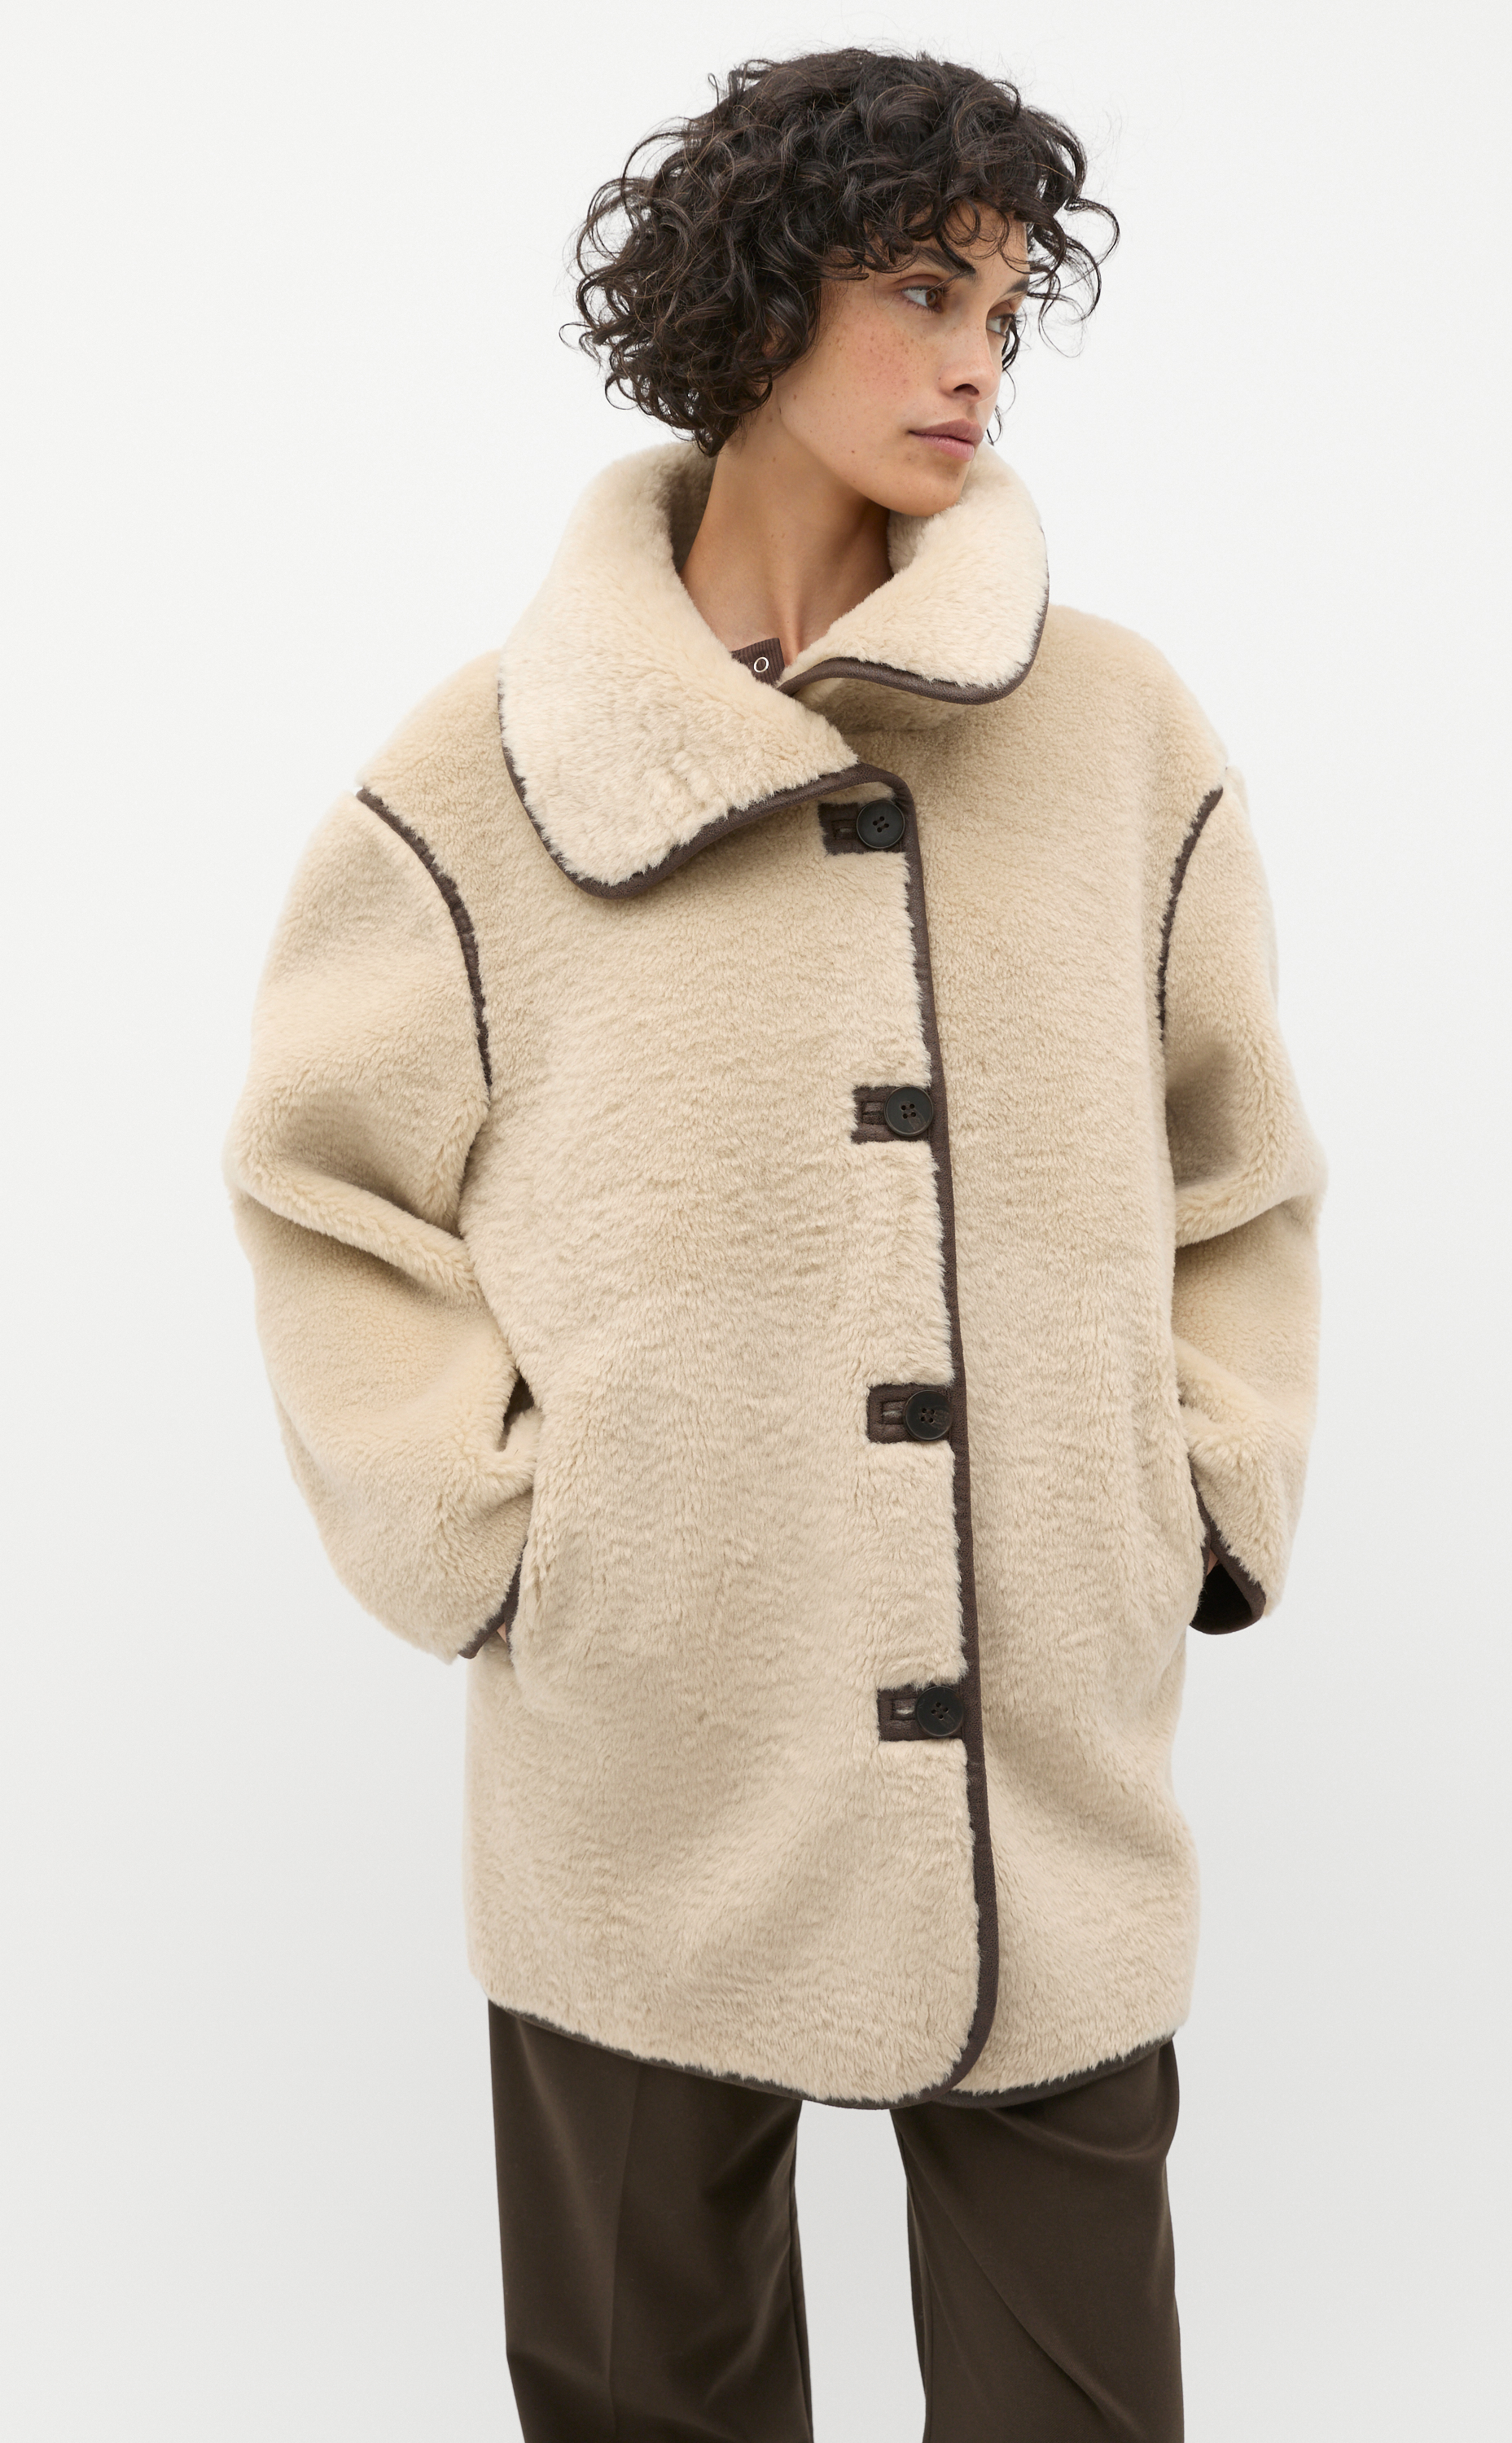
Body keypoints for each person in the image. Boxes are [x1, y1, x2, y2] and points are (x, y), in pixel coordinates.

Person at [228, 46, 1322, 2443]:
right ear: (752, 302)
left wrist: (1198, 1487)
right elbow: (327, 1188)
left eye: (1007, 311)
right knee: (648, 2394)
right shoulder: (480, 776)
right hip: (644, 1746)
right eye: (922, 291)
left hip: (1044, 1749)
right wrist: (505, 1543)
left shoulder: (1121, 735)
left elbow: (1239, 1169)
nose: (975, 363)